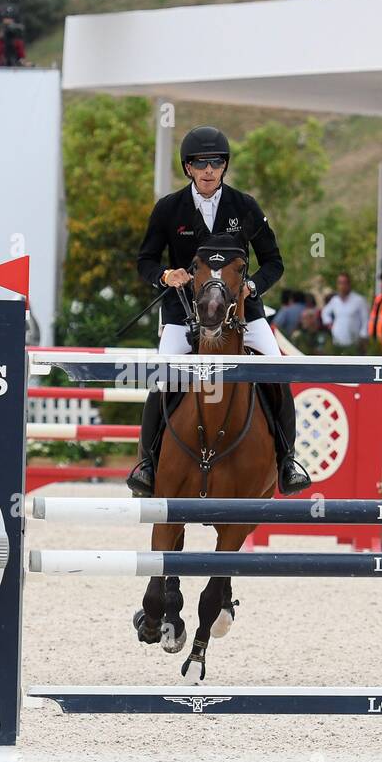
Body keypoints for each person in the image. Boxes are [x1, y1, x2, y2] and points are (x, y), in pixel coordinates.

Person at [126, 124, 311, 498]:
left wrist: (251, 286)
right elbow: (145, 260)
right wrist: (165, 274)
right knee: (162, 379)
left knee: (278, 371)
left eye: (216, 162)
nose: (209, 170)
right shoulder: (168, 209)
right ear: (188, 168)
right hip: (183, 313)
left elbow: (274, 262)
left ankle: (287, 460)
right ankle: (148, 463)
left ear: (224, 166)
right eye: (200, 163)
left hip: (243, 312)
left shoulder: (245, 207)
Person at [320, 272, 369, 349]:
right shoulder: (335, 300)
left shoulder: (359, 300)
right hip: (337, 341)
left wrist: (363, 335)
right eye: (340, 283)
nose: (342, 286)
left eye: (344, 283)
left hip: (354, 342)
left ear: (349, 284)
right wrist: (330, 325)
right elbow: (325, 312)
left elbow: (365, 319)